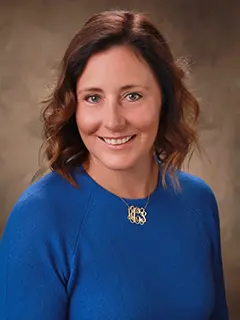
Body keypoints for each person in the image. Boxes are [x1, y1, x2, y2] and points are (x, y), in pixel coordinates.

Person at [0, 9, 229, 320]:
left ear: (165, 100)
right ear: (74, 107)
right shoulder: (38, 219)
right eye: (93, 98)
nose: (113, 122)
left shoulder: (198, 201)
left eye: (132, 96)